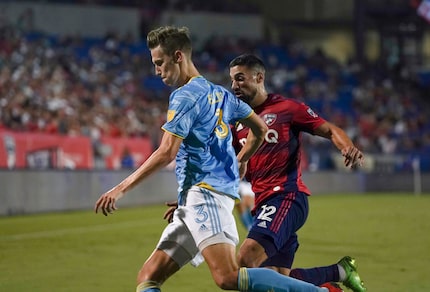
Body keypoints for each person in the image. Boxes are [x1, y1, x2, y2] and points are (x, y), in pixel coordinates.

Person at [94, 26, 339, 292]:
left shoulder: (184, 96)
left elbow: (167, 152)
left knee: (228, 278)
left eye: (159, 63)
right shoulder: (221, 94)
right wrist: (241, 161)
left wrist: (120, 189)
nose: (157, 71)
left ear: (178, 56)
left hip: (206, 197)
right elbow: (259, 129)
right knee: (148, 277)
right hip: (196, 197)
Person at [228, 54, 367, 292]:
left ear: (259, 77)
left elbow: (330, 129)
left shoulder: (287, 108)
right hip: (263, 204)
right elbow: (225, 167)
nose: (234, 86)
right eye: (232, 80)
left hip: (287, 197)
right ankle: (340, 272)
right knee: (276, 281)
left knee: (245, 261)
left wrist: (347, 147)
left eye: (240, 79)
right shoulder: (237, 122)